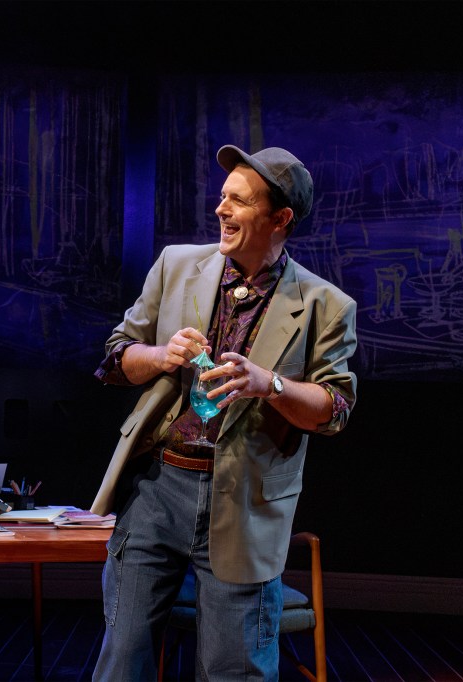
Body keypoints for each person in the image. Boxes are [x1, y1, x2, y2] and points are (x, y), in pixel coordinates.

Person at [90, 145, 357, 680]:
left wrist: (269, 384)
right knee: (122, 660)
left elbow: (335, 409)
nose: (221, 209)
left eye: (239, 201)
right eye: (222, 197)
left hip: (244, 500)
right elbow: (116, 358)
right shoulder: (176, 265)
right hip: (157, 486)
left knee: (233, 670)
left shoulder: (326, 304)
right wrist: (161, 355)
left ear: (280, 219)